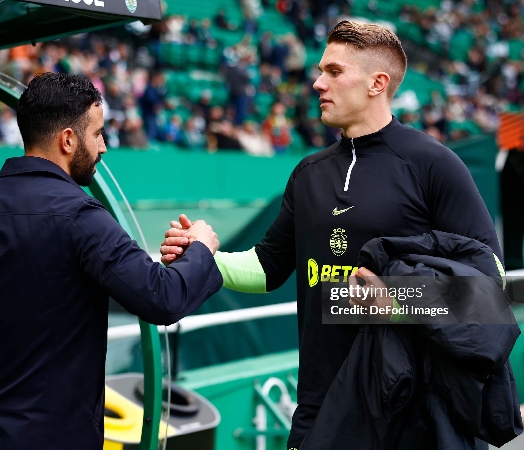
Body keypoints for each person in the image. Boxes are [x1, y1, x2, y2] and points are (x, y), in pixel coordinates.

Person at [160, 21, 506, 448]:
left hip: (411, 414)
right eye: (321, 70)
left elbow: (491, 283)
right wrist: (204, 253)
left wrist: (399, 299)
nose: (318, 82)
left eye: (334, 72)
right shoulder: (308, 173)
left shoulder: (434, 164)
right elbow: (268, 267)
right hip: (320, 407)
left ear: (378, 83)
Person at [0, 73, 223, 450]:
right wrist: (200, 247)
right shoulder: (81, 217)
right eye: (97, 133)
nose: (104, 147)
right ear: (67, 139)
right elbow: (161, 298)